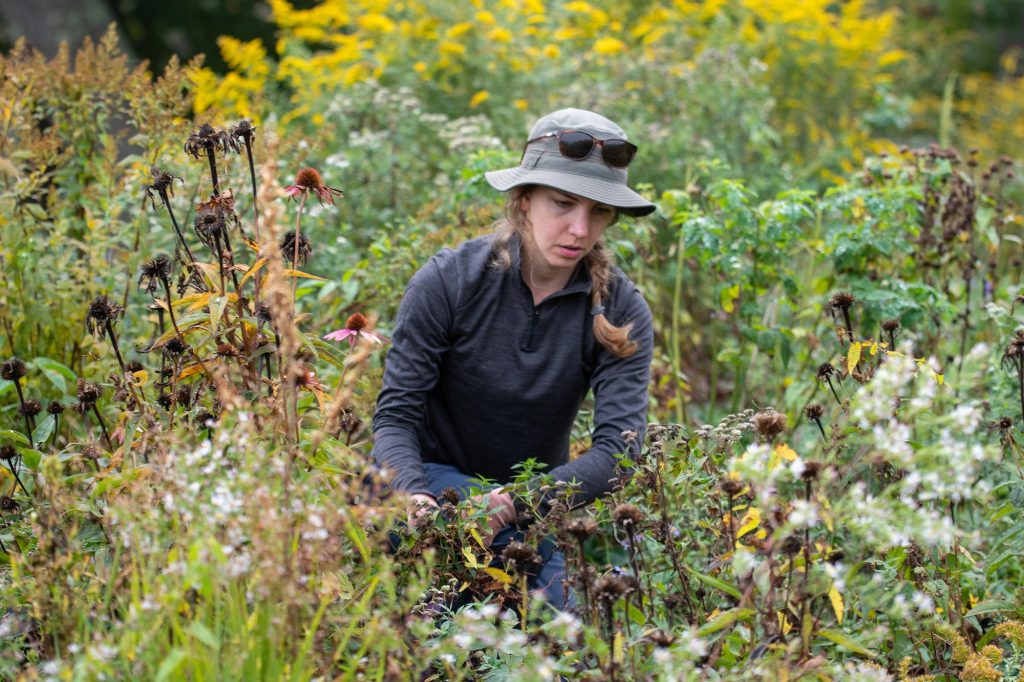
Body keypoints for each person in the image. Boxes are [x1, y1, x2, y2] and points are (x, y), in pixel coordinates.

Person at [371, 107, 655, 610]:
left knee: (567, 616)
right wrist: (414, 497)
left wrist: (511, 504)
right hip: (430, 486)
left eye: (598, 211)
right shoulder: (450, 281)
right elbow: (395, 417)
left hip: (530, 507)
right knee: (500, 603)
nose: (579, 228)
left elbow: (618, 452)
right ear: (523, 201)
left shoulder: (620, 308)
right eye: (563, 204)